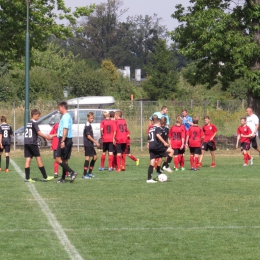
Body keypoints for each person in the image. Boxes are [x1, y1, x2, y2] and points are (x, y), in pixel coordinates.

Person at [24, 109, 54, 182]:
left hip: (26, 143)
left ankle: (27, 178)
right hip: (33, 143)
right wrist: (47, 137)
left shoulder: (28, 122)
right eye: (38, 115)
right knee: (38, 158)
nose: (38, 117)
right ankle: (45, 177)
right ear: (34, 115)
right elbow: (39, 132)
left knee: (28, 159)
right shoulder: (35, 122)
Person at [55, 101, 78, 183]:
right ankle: (63, 178)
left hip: (64, 139)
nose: (58, 109)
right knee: (64, 160)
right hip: (68, 139)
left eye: (59, 108)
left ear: (62, 107)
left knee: (58, 159)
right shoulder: (68, 116)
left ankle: (72, 172)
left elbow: (65, 129)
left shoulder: (65, 117)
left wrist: (62, 141)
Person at [147, 115, 173, 183]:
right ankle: (166, 166)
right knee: (171, 151)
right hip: (156, 146)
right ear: (158, 123)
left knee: (152, 162)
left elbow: (149, 137)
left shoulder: (151, 128)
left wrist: (148, 144)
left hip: (151, 146)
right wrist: (164, 142)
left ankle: (149, 179)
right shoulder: (157, 128)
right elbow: (158, 135)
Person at [82, 112, 101, 178]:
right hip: (88, 143)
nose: (92, 119)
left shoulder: (89, 124)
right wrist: (96, 142)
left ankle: (89, 173)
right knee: (87, 158)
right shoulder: (87, 125)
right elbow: (88, 136)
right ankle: (84, 174)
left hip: (90, 144)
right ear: (87, 118)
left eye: (93, 118)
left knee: (95, 157)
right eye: (91, 118)